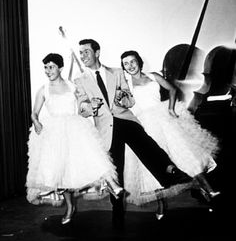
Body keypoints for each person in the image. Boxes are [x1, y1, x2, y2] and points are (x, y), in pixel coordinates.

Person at [74, 39, 195, 226]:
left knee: (147, 144)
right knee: (117, 169)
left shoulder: (116, 72)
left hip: (126, 120)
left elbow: (129, 100)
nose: (82, 56)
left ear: (97, 53)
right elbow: (81, 108)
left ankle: (171, 171)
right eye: (80, 53)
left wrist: (123, 98)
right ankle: (117, 209)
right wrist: (91, 107)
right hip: (107, 128)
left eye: (86, 52)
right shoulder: (80, 80)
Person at [25, 53, 123, 225]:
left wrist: (91, 106)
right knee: (60, 172)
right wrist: (36, 122)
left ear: (60, 68)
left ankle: (112, 184)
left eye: (51, 67)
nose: (48, 71)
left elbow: (82, 107)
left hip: (75, 128)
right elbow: (34, 112)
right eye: (46, 67)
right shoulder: (44, 89)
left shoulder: (72, 86)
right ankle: (70, 207)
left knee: (93, 156)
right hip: (54, 133)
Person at [120, 50, 220, 216]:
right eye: (126, 63)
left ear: (139, 61)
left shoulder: (153, 76)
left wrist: (171, 109)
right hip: (144, 124)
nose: (130, 66)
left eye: (132, 61)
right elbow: (124, 105)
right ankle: (161, 205)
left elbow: (172, 89)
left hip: (162, 118)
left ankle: (209, 190)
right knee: (153, 164)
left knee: (185, 153)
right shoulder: (125, 84)